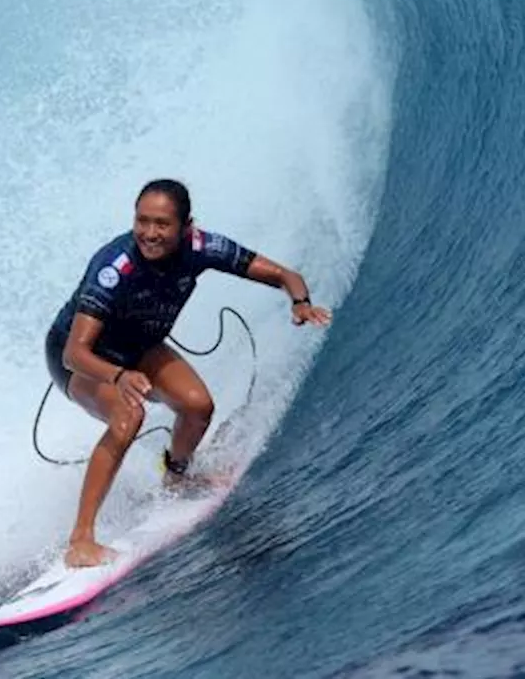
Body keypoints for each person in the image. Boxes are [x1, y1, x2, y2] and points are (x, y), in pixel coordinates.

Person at [45, 178, 332, 567]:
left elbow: (285, 275)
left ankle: (176, 477)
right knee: (128, 415)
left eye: (162, 224)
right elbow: (74, 352)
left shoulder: (202, 248)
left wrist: (299, 302)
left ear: (186, 226)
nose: (149, 233)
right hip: (84, 358)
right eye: (141, 221)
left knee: (198, 406)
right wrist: (117, 376)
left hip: (138, 346)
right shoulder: (114, 267)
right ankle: (81, 541)